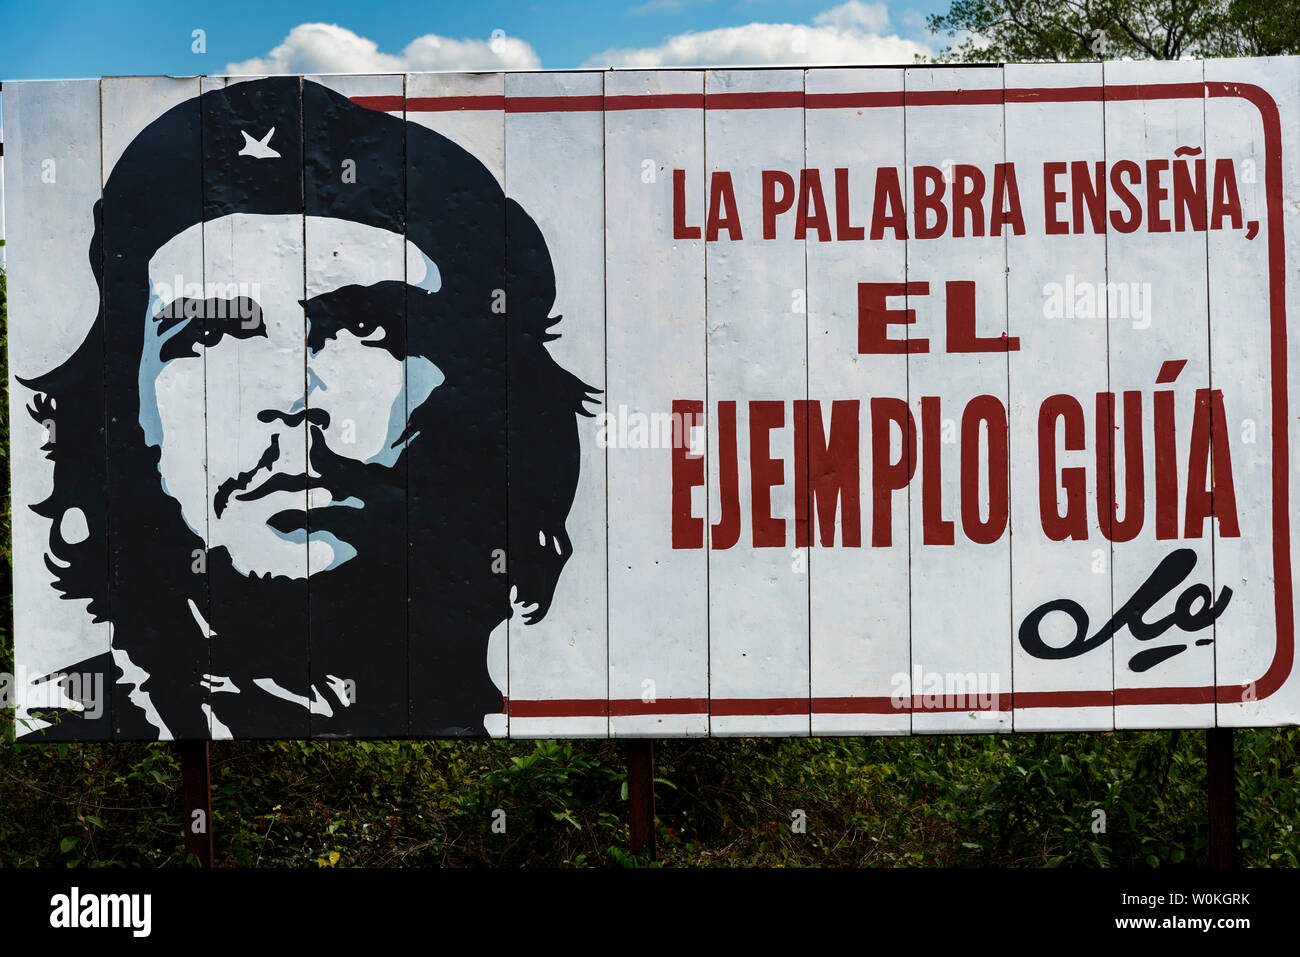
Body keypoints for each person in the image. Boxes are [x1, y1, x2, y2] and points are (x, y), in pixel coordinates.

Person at [18, 76, 596, 740]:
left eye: (369, 329)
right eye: (211, 334)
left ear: (495, 400)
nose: (292, 398)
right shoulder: (62, 725)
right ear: (122, 402)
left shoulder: (530, 739)